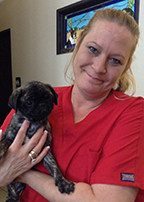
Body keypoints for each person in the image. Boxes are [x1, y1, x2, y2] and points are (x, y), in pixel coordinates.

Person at [1, 8, 144, 202]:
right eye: (93, 49)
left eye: (115, 61)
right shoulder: (40, 99)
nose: (99, 67)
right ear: (78, 45)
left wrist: (22, 171)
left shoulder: (133, 113)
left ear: (124, 68)